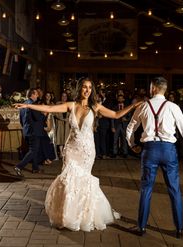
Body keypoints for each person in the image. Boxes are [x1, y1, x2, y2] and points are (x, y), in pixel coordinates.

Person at [15, 77, 142, 231]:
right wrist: (27, 106)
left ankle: (83, 216)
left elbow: (115, 115)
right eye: (84, 87)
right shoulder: (71, 105)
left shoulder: (95, 107)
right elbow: (48, 109)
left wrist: (133, 105)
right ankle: (67, 216)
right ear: (79, 89)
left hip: (87, 151)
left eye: (89, 87)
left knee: (83, 181)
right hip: (71, 149)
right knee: (68, 180)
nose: (87, 90)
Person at [126, 76, 183, 238]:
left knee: (146, 189)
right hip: (168, 151)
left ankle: (142, 227)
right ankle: (179, 229)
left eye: (151, 87)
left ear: (154, 88)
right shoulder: (173, 107)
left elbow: (130, 128)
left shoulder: (143, 106)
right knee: (174, 189)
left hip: (149, 150)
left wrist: (132, 145)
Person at [14, 88, 46, 175]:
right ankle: (19, 166)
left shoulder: (23, 105)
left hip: (26, 131)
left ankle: (35, 168)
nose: (37, 95)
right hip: (34, 132)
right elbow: (38, 118)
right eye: (36, 94)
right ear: (32, 95)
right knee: (33, 150)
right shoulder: (32, 105)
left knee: (34, 150)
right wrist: (44, 114)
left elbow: (21, 120)